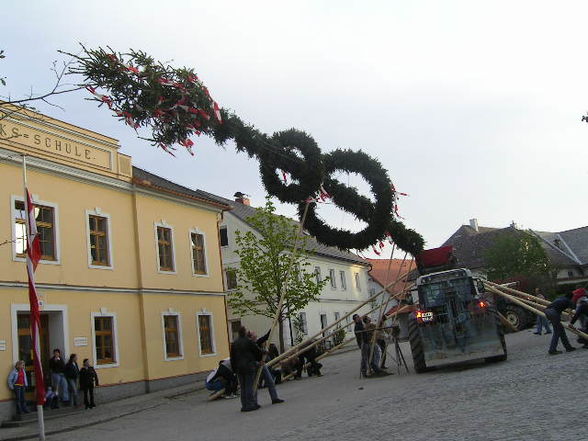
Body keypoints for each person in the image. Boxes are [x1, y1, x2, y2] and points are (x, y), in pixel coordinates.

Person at [230, 326, 263, 412]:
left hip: (239, 368)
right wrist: (260, 357)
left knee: (243, 387)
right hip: (248, 366)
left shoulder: (234, 343)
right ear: (244, 332)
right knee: (249, 386)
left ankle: (244, 405)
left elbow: (232, 358)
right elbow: (257, 351)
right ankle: (250, 404)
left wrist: (234, 369)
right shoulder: (249, 342)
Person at [247, 330, 284, 404]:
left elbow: (266, 337)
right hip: (254, 365)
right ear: (251, 336)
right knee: (255, 384)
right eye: (254, 333)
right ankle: (254, 402)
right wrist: (263, 353)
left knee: (270, 381)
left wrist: (273, 327)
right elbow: (254, 353)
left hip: (261, 364)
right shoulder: (249, 345)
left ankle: (274, 398)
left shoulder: (257, 342)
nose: (256, 334)